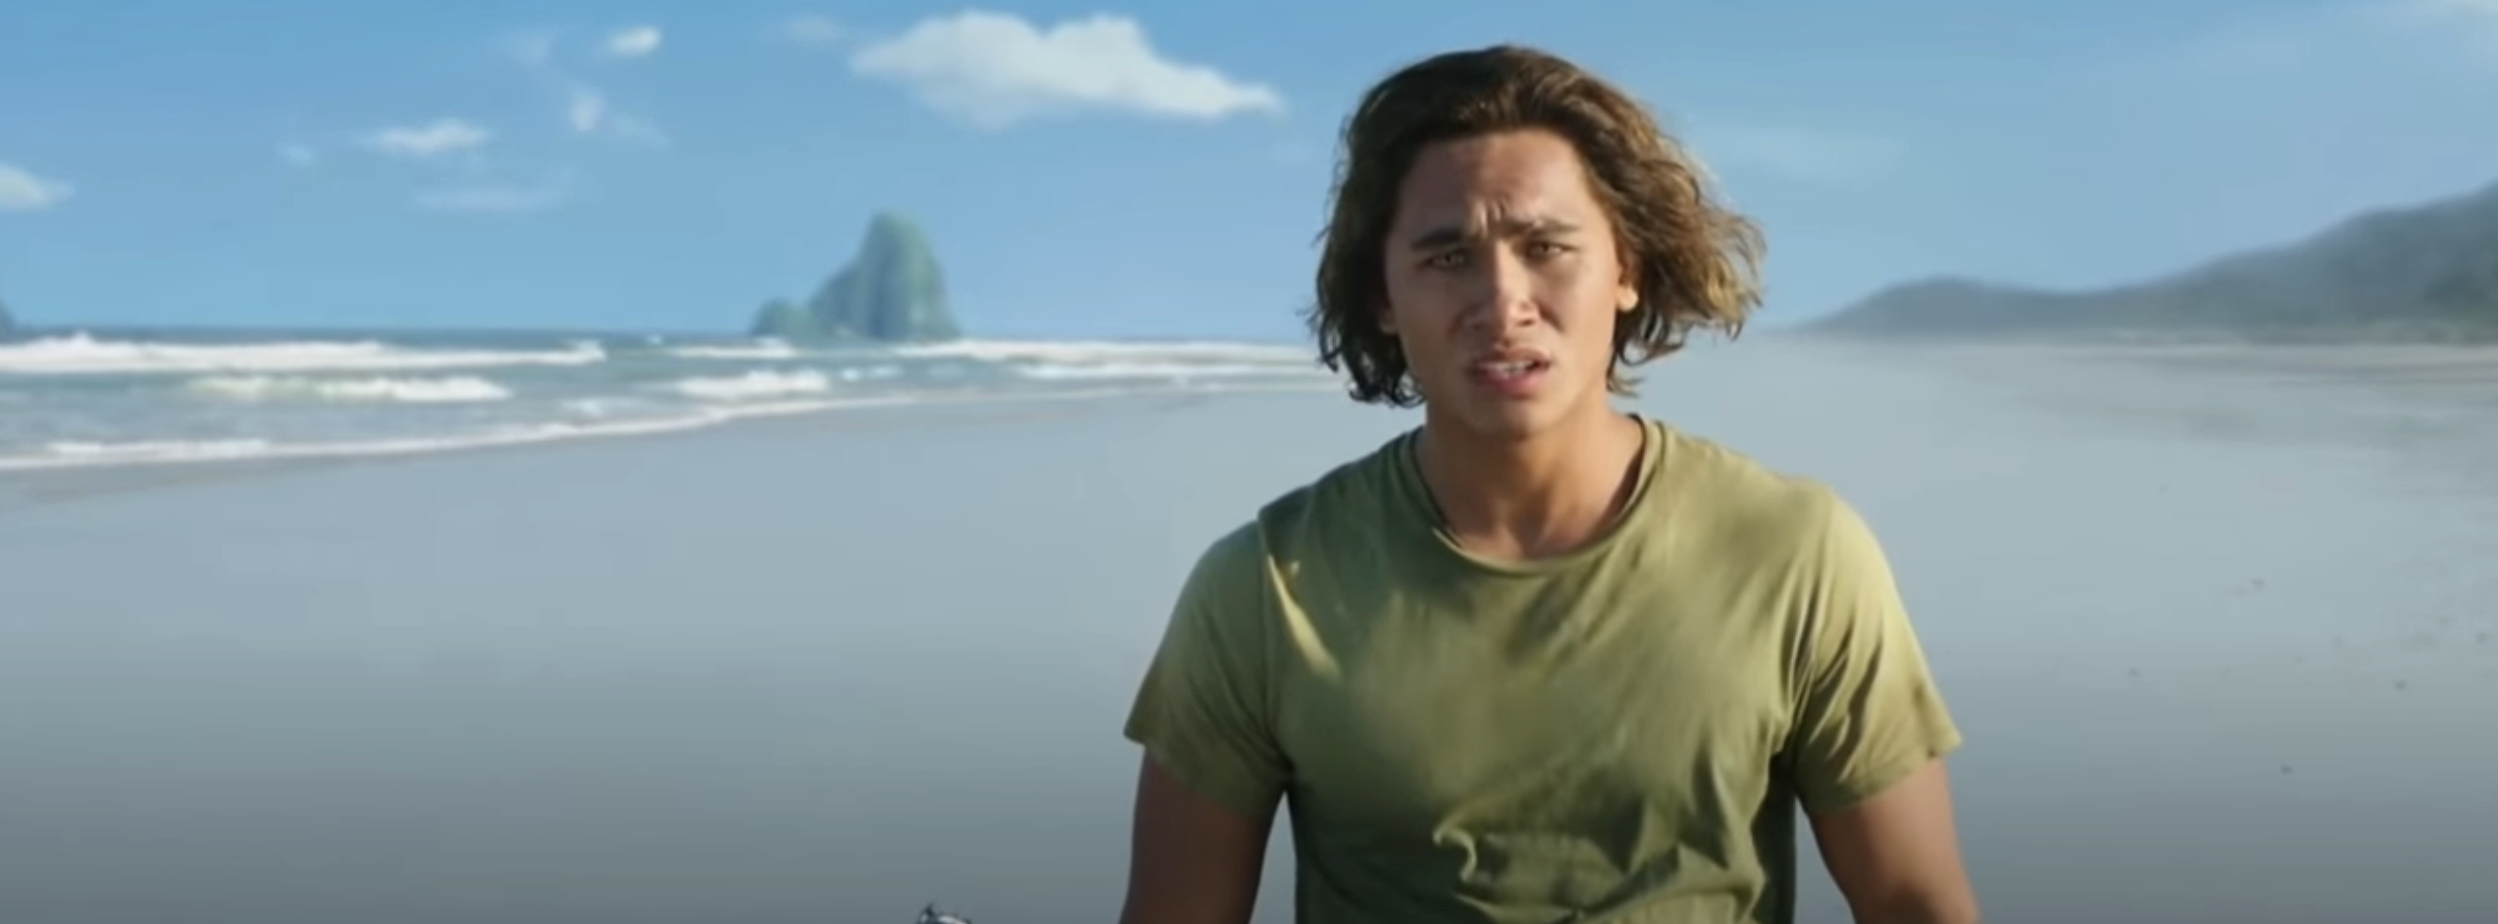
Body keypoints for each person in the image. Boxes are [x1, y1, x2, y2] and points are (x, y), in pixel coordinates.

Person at [1116, 44, 1977, 924]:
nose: (1502, 300)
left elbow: (1913, 899)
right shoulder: (1266, 588)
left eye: (1546, 247)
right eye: (1447, 259)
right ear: (1383, 294)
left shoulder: (1794, 554)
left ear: (1626, 268)